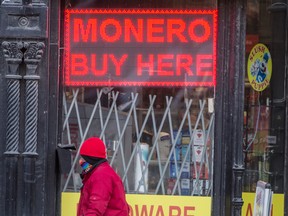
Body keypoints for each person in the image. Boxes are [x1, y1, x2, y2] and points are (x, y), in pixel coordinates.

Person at [77, 137, 130, 216]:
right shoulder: (98, 173)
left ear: (91, 159)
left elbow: (95, 208)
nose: (80, 161)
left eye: (84, 158)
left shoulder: (101, 176)